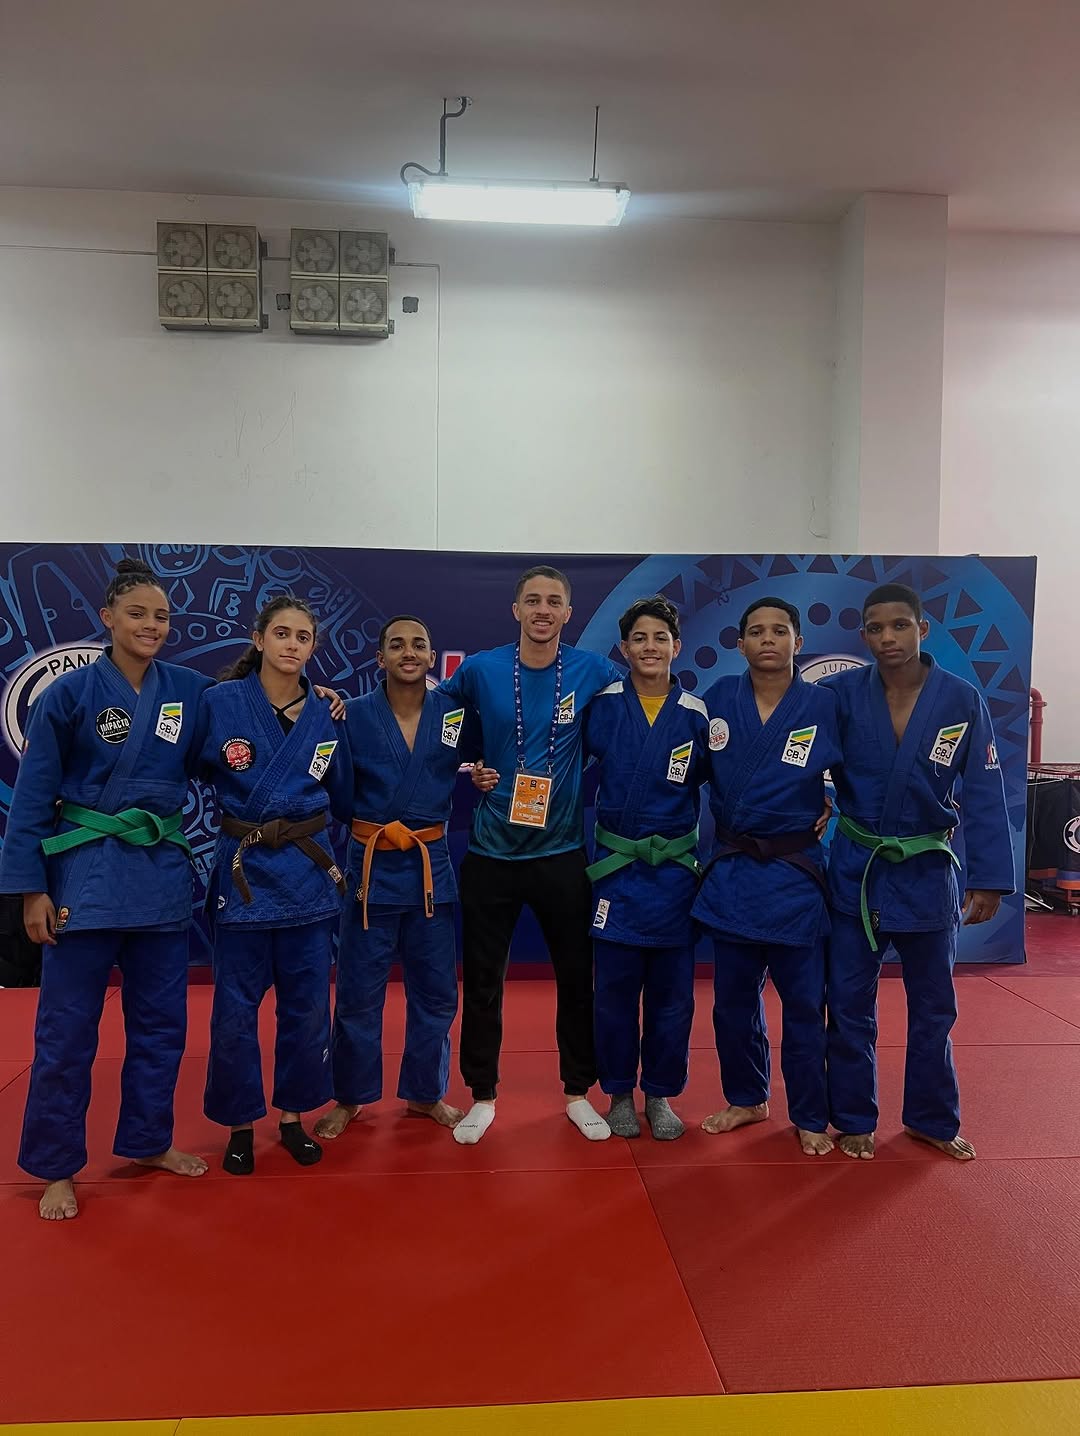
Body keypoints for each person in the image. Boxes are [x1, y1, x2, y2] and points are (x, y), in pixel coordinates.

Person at [0, 558, 212, 1219]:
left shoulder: (188, 690)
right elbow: (32, 796)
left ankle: (148, 1141)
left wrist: (314, 701)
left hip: (157, 876)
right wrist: (29, 889)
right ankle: (56, 1166)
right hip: (84, 876)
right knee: (66, 1033)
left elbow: (247, 713)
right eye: (137, 614)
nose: (152, 625)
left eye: (161, 616)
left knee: (161, 1026)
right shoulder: (68, 695)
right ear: (107, 618)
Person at [823, 582, 1014, 1161]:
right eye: (876, 628)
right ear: (863, 635)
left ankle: (931, 1118)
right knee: (848, 1003)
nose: (888, 637)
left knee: (934, 1007)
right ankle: (853, 1117)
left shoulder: (959, 698)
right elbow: (801, 761)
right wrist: (809, 805)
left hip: (928, 871)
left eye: (900, 625)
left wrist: (989, 878)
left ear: (922, 629)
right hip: (858, 870)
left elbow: (984, 790)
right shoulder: (838, 694)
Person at [440, 565, 624, 1145]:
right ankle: (482, 1095)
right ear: (516, 610)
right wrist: (472, 763)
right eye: (533, 600)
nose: (543, 610)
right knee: (483, 982)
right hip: (491, 852)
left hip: (562, 852)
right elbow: (429, 716)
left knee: (575, 978)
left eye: (554, 601)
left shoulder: (595, 670)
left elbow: (648, 704)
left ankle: (577, 1091)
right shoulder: (480, 669)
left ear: (568, 612)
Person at [196, 595, 350, 1174]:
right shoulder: (219, 703)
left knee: (306, 1009)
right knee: (234, 1011)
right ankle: (239, 1123)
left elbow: (344, 791)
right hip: (245, 877)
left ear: (313, 647)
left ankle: (291, 1116)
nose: (292, 644)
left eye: (303, 636)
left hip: (307, 876)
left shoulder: (327, 712)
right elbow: (180, 767)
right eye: (281, 633)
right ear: (258, 639)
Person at [315, 615, 481, 1140]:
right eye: (397, 645)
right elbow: (338, 792)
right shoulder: (352, 714)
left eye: (418, 644)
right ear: (380, 657)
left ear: (432, 657)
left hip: (430, 868)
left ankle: (425, 1093)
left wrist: (484, 773)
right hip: (371, 866)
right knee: (358, 993)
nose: (408, 652)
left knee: (436, 992)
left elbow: (486, 759)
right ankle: (350, 1096)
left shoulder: (455, 714)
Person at [692, 598, 841, 1156]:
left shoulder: (824, 704)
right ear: (741, 645)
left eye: (780, 630)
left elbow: (861, 772)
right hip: (734, 871)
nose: (769, 639)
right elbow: (684, 770)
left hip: (794, 875)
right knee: (732, 1002)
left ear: (798, 641)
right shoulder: (717, 700)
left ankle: (809, 1114)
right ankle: (747, 1098)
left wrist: (833, 799)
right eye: (757, 631)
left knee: (804, 1006)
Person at [583, 596, 709, 1140]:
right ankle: (617, 1093)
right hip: (617, 870)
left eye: (660, 638)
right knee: (613, 994)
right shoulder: (602, 705)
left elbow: (731, 784)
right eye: (639, 638)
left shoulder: (697, 713)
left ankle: (659, 1093)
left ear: (676, 646)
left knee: (672, 997)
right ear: (623, 648)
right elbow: (558, 763)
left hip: (675, 874)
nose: (650, 647)